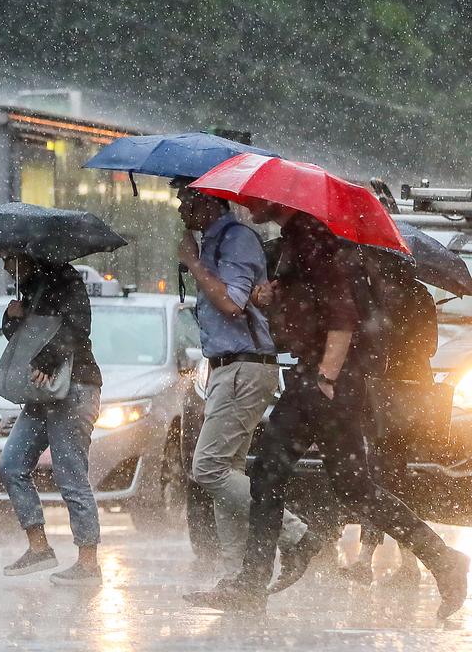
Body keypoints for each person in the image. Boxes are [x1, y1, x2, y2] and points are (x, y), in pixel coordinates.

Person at [185, 202, 469, 618]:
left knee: (340, 485)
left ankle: (443, 560)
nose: (248, 203)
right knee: (285, 477)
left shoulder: (317, 242)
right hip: (311, 375)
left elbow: (342, 316)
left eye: (256, 198)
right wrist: (270, 300)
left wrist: (327, 378)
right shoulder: (295, 242)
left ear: (279, 201)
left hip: (326, 380)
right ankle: (255, 580)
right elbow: (309, 315)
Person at [175, 186, 314, 582]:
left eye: (187, 199)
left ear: (209, 202)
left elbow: (232, 303)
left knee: (208, 469)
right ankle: (236, 576)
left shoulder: (235, 240)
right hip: (226, 367)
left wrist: (194, 264)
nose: (181, 207)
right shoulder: (219, 242)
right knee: (226, 469)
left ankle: (297, 535)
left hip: (244, 367)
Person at [0, 255, 104, 586]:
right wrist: (10, 320)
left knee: (70, 474)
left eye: (8, 259)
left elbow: (77, 326)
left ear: (28, 255)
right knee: (11, 465)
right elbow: (24, 342)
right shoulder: (30, 289)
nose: (5, 267)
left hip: (75, 388)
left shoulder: (66, 281)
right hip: (42, 394)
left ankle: (88, 563)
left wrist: (49, 357)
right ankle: (39, 547)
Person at [341, 259, 435, 587]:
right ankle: (410, 561)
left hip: (389, 393)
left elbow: (370, 344)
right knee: (395, 475)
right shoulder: (419, 295)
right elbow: (431, 346)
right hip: (410, 394)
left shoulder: (379, 298)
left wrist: (390, 336)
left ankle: (373, 558)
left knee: (382, 475)